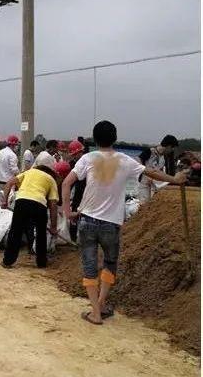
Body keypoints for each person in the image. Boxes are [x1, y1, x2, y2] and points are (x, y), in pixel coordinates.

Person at [62, 121, 187, 325]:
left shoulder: (88, 158)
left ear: (95, 138)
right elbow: (151, 173)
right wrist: (176, 179)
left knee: (89, 266)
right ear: (115, 138)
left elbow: (67, 183)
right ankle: (101, 304)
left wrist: (68, 212)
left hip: (87, 222)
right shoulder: (125, 160)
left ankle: (95, 311)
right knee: (110, 264)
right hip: (111, 225)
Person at [0, 153, 59, 269]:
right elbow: (53, 205)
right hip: (39, 205)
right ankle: (41, 263)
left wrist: (4, 201)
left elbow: (9, 183)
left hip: (21, 202)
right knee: (41, 234)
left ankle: (7, 261)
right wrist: (53, 226)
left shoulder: (28, 172)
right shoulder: (51, 180)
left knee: (15, 232)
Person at [137, 135, 179, 204]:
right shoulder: (149, 151)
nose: (172, 150)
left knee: (155, 203)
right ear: (168, 146)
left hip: (156, 183)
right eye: (172, 148)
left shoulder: (165, 157)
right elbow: (138, 161)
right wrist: (146, 173)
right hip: (144, 182)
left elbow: (165, 171)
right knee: (144, 203)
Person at [67, 140, 86, 243]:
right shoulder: (74, 163)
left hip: (86, 191)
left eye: (75, 154)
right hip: (78, 191)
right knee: (74, 212)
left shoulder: (86, 162)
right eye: (72, 155)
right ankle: (73, 238)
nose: (74, 157)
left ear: (80, 152)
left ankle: (82, 238)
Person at [0, 135, 20, 205]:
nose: (17, 147)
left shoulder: (0, 152)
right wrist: (20, 175)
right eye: (16, 145)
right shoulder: (12, 155)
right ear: (13, 145)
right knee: (9, 203)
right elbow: (14, 169)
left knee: (0, 202)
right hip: (8, 182)